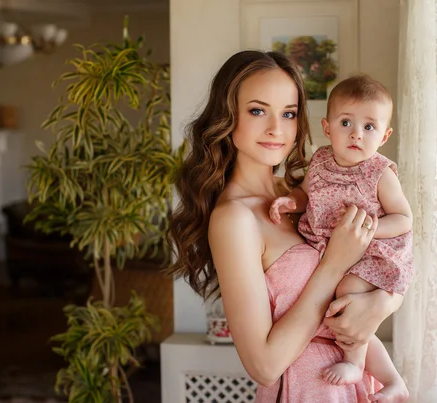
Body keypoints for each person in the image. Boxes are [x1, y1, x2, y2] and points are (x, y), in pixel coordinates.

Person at [168, 50, 407, 402]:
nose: (276, 129)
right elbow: (264, 366)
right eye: (257, 110)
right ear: (226, 116)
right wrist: (334, 264)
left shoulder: (308, 192)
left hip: (356, 385)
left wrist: (386, 303)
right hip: (305, 390)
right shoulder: (234, 219)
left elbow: (387, 255)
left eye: (289, 113)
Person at [269, 75, 413, 390]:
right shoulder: (320, 160)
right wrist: (290, 201)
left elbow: (403, 218)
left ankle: (356, 363)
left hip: (371, 252)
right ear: (327, 127)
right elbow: (306, 194)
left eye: (369, 127)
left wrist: (369, 230)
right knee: (337, 307)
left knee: (348, 296)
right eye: (346, 122)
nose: (356, 134)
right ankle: (392, 380)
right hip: (332, 249)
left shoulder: (380, 173)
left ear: (384, 135)